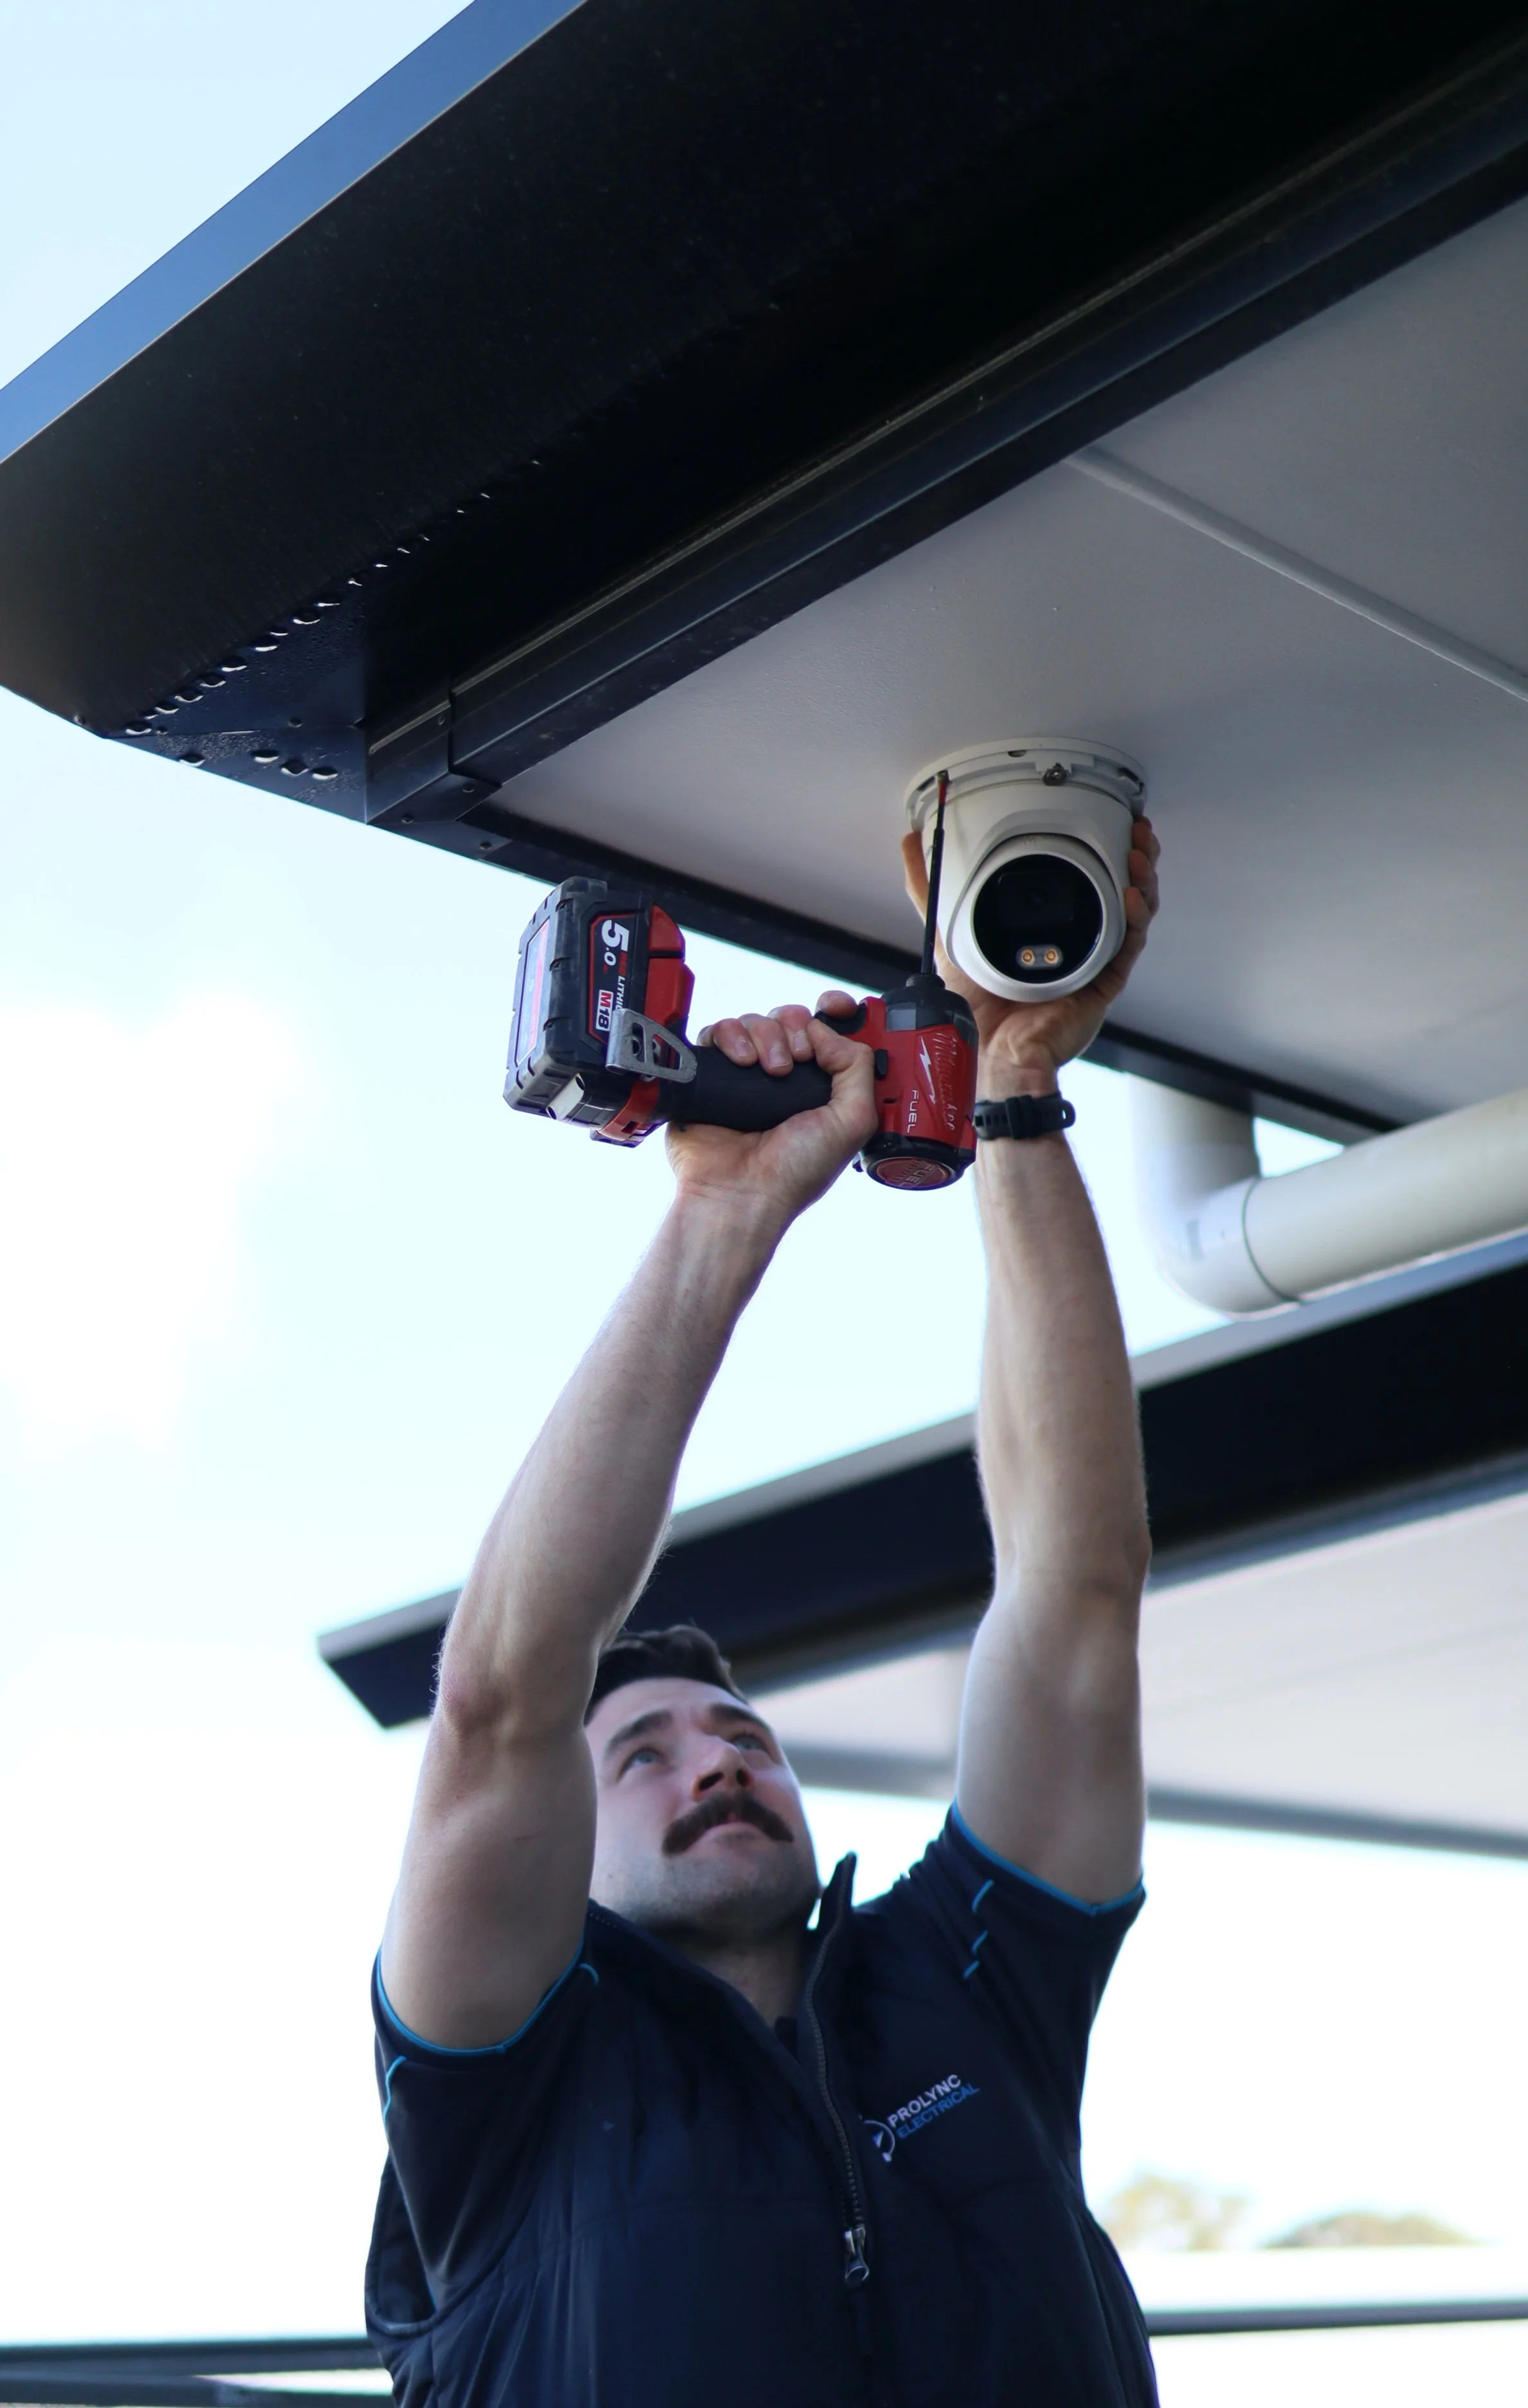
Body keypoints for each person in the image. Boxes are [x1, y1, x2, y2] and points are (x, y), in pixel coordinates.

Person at [367, 819, 1163, 2407]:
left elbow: (1069, 1596)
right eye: (641, 1755)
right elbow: (504, 1698)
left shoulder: (960, 1980)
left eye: (738, 1733)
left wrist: (1011, 1094)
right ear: (552, 1859)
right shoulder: (508, 2083)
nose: (716, 1758)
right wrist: (723, 1216)